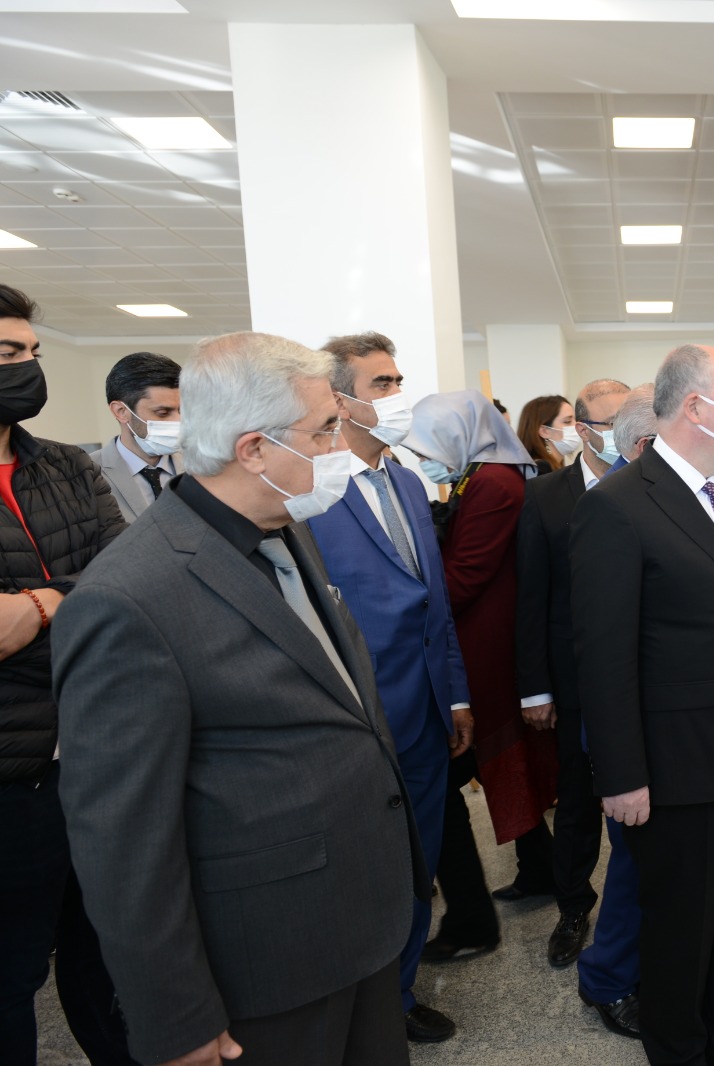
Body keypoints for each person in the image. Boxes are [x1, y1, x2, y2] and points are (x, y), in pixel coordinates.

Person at [53, 331, 424, 1066]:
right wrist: (175, 1016)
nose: (340, 447)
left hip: (359, 923)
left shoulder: (287, 527)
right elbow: (122, 839)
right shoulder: (128, 599)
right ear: (254, 449)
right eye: (324, 431)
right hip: (263, 963)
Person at [570, 343, 714, 1065]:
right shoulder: (617, 505)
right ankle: (680, 1051)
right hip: (679, 767)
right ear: (697, 407)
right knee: (682, 931)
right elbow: (604, 656)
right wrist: (621, 776)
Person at [308, 331, 472, 1044]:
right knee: (360, 870)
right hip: (356, 719)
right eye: (383, 384)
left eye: (399, 380)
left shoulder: (407, 480)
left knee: (418, 860)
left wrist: (457, 694)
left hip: (429, 710)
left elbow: (437, 601)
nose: (399, 394)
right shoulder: (312, 489)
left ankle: (398, 996)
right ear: (340, 400)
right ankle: (358, 1004)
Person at [0, 284, 132, 1066]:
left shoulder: (67, 467)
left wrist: (38, 607)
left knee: (110, 959)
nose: (27, 367)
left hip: (93, 751)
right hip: (11, 775)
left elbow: (126, 579)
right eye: (8, 353)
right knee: (13, 975)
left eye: (32, 352)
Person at [410, 392, 558, 964]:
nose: (425, 460)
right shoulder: (482, 475)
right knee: (496, 760)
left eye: (429, 448)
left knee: (471, 760)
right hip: (484, 634)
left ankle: (480, 911)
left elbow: (466, 575)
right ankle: (539, 867)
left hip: (485, 641)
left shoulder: (493, 482)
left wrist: (416, 598)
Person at [515, 378, 628, 974]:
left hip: (644, 674)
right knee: (579, 801)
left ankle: (640, 909)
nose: (626, 434)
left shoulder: (653, 482)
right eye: (612, 424)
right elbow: (531, 596)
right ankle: (573, 908)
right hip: (575, 675)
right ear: (582, 429)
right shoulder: (545, 496)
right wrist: (536, 687)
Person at [571, 382, 656, 1040]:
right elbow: (603, 644)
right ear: (646, 442)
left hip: (671, 718)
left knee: (655, 864)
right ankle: (607, 980)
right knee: (632, 864)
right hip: (631, 722)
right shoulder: (613, 505)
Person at [94, 351, 184, 523]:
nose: (178, 421)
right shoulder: (88, 474)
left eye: (182, 411)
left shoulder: (203, 465)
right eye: (163, 413)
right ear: (121, 412)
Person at [517, 394, 578, 475]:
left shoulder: (557, 466)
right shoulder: (540, 470)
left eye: (576, 420)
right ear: (544, 431)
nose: (577, 425)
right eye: (567, 421)